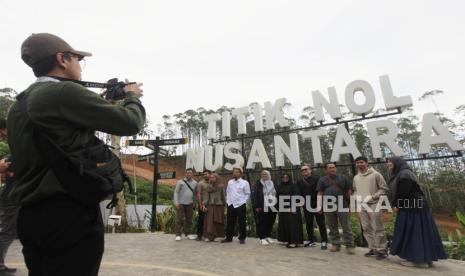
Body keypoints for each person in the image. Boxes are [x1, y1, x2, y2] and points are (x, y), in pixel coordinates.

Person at [7, 33, 145, 276]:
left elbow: (60, 135)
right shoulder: (65, 93)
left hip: (30, 215)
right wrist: (132, 96)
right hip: (68, 214)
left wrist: (101, 103)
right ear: (62, 59)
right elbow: (130, 123)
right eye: (77, 60)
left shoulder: (20, 103)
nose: (80, 66)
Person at [387, 156, 447, 268]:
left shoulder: (404, 173)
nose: (388, 164)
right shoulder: (405, 173)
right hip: (417, 207)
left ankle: (418, 260)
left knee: (414, 232)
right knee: (422, 232)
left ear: (397, 163)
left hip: (412, 208)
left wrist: (397, 205)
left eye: (390, 162)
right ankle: (426, 259)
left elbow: (404, 191)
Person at [353, 156, 389, 260]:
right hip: (362, 205)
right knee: (366, 227)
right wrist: (356, 197)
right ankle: (373, 248)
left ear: (367, 163)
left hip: (374, 204)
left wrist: (372, 197)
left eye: (361, 162)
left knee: (377, 227)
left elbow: (384, 189)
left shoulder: (376, 174)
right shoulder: (356, 177)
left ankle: (382, 250)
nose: (360, 164)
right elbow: (355, 190)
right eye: (357, 163)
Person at [317, 162, 355, 254]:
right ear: (326, 170)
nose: (332, 169)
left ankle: (349, 245)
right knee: (332, 226)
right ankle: (335, 244)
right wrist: (319, 206)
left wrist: (351, 204)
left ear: (336, 168)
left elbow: (349, 191)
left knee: (346, 226)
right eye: (329, 168)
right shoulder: (322, 180)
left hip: (342, 204)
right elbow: (320, 193)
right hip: (328, 205)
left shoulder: (343, 178)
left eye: (333, 167)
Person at [0, 119, 19, 275]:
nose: (4, 136)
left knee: (9, 231)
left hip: (13, 196)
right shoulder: (19, 154)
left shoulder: (18, 153)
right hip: (11, 197)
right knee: (7, 231)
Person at [296, 164, 328, 249]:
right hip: (306, 206)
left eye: (306, 169)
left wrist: (320, 205)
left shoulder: (318, 179)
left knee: (321, 223)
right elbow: (298, 193)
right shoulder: (299, 181)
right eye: (302, 170)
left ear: (310, 170)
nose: (304, 171)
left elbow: (321, 192)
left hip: (317, 204)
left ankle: (324, 241)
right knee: (308, 224)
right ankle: (311, 240)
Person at [221, 167, 250, 244]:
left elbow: (247, 194)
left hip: (240, 205)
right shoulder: (230, 182)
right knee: (230, 221)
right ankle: (228, 237)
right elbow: (228, 192)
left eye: (237, 172)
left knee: (242, 222)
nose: (235, 173)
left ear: (241, 173)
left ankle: (242, 238)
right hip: (231, 204)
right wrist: (228, 201)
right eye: (234, 172)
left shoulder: (245, 183)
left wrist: (244, 202)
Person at [277, 173, 303, 248]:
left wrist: (294, 207)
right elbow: (277, 197)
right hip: (283, 208)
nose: (285, 178)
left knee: (293, 225)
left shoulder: (294, 186)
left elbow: (297, 196)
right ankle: (287, 240)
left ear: (289, 178)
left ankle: (294, 242)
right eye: (283, 177)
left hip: (292, 208)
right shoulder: (279, 186)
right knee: (285, 225)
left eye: (287, 177)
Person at [252, 170, 277, 245]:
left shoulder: (273, 183)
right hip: (262, 206)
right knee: (262, 222)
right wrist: (257, 206)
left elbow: (277, 193)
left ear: (269, 175)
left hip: (272, 205)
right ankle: (262, 238)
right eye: (262, 174)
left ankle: (268, 236)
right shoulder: (258, 183)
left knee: (270, 221)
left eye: (266, 174)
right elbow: (255, 195)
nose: (264, 176)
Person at [174, 168, 198, 241]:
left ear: (192, 174)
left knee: (189, 220)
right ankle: (178, 235)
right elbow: (176, 192)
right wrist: (176, 202)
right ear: (185, 173)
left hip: (190, 204)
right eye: (187, 173)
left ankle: (189, 234)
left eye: (190, 173)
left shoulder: (195, 183)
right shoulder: (180, 182)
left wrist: (194, 202)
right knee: (179, 219)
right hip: (181, 203)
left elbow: (195, 194)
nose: (189, 174)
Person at [201, 173, 226, 241]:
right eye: (211, 177)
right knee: (209, 222)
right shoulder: (207, 187)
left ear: (217, 178)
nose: (211, 179)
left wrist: (224, 205)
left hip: (218, 206)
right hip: (210, 206)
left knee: (218, 221)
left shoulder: (221, 186)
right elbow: (205, 197)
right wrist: (203, 205)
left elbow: (223, 196)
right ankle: (209, 237)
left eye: (213, 177)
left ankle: (218, 236)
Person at [195, 169, 211, 241]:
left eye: (206, 174)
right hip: (203, 204)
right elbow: (198, 194)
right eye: (204, 174)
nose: (205, 175)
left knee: (209, 221)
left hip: (211, 205)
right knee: (201, 220)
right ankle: (199, 235)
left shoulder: (212, 182)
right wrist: (200, 204)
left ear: (210, 175)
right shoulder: (200, 183)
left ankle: (208, 235)